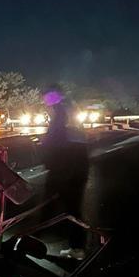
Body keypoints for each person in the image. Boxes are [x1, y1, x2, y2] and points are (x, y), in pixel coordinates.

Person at [40, 85, 90, 259]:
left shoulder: (62, 111)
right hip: (72, 168)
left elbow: (62, 142)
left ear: (55, 95)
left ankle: (29, 244)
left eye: (46, 95)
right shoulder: (68, 108)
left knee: (62, 208)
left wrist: (45, 145)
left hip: (67, 169)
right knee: (67, 208)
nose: (43, 99)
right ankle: (77, 246)